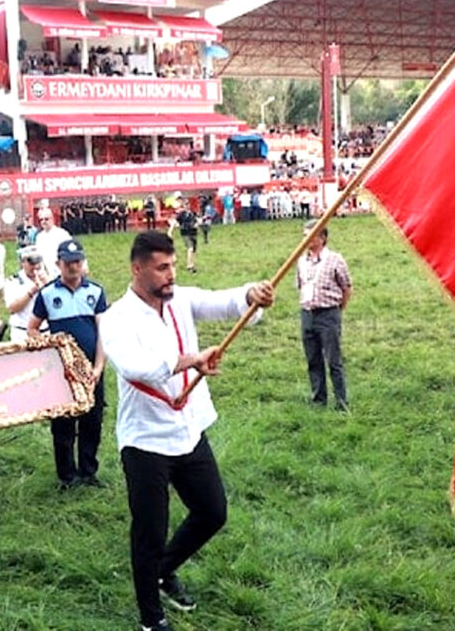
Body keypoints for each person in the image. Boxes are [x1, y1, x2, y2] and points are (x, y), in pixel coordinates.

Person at [98, 231, 274, 631]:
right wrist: (191, 360)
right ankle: (151, 619)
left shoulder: (179, 299)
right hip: (144, 440)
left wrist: (251, 295)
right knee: (149, 531)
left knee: (212, 511)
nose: (171, 275)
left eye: (173, 265)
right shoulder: (116, 318)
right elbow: (136, 367)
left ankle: (163, 571)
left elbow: (222, 301)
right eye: (162, 268)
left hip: (187, 429)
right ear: (137, 269)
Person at [28, 239, 107, 489]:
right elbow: (32, 328)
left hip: (90, 369)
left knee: (92, 421)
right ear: (58, 264)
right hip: (61, 371)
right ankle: (67, 475)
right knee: (63, 424)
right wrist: (50, 345)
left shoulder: (96, 292)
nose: (73, 267)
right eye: (68, 262)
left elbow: (103, 333)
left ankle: (88, 471)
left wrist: (98, 367)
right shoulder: (47, 294)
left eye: (77, 262)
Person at [297, 219, 352, 411]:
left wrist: (337, 310)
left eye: (310, 236)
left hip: (328, 314)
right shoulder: (301, 261)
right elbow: (301, 286)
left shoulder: (335, 260)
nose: (306, 240)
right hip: (307, 314)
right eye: (304, 236)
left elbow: (346, 288)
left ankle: (341, 402)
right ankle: (318, 399)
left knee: (333, 360)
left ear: (322, 238)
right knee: (313, 359)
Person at [4, 246, 49, 343]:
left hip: (46, 330)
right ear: (22, 263)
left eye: (38, 262)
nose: (36, 266)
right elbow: (12, 309)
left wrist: (48, 286)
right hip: (22, 332)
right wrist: (32, 292)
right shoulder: (13, 282)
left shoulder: (48, 278)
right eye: (31, 263)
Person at [33, 208, 72, 280]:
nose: (43, 222)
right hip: (47, 273)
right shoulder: (39, 237)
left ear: (52, 219)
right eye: (41, 220)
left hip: (62, 272)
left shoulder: (62, 234)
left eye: (46, 219)